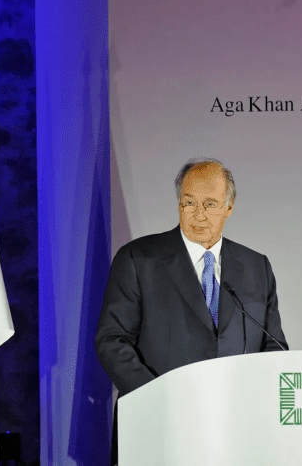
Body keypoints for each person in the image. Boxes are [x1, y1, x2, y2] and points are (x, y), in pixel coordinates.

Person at [95, 158, 287, 461]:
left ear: (229, 207)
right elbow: (112, 341)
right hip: (159, 428)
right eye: (189, 203)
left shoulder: (256, 267)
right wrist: (160, 399)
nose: (198, 215)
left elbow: (274, 347)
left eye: (210, 204)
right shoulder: (138, 259)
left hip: (236, 432)